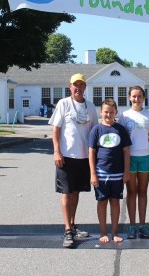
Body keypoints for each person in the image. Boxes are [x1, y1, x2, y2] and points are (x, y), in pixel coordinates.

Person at [49, 73, 99, 248]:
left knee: (76, 192)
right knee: (66, 192)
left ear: (85, 87)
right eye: (74, 85)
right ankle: (67, 230)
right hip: (66, 157)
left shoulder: (91, 107)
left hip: (84, 157)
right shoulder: (64, 104)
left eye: (81, 85)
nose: (78, 88)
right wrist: (57, 152)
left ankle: (72, 223)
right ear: (69, 87)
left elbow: (95, 134)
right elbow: (55, 131)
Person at [88, 99, 131, 243]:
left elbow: (126, 151)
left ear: (116, 113)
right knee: (102, 202)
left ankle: (115, 231)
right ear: (101, 112)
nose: (108, 114)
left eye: (111, 112)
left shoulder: (120, 129)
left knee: (115, 202)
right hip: (101, 173)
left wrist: (126, 172)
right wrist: (93, 173)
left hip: (118, 174)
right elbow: (92, 153)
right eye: (106, 112)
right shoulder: (96, 130)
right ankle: (103, 232)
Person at [118, 86, 149, 240]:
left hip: (145, 157)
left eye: (139, 96)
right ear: (129, 97)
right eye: (134, 96)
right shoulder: (124, 116)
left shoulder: (148, 115)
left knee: (143, 191)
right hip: (130, 158)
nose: (136, 99)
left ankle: (142, 225)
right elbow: (120, 139)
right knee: (131, 192)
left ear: (144, 98)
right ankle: (132, 226)